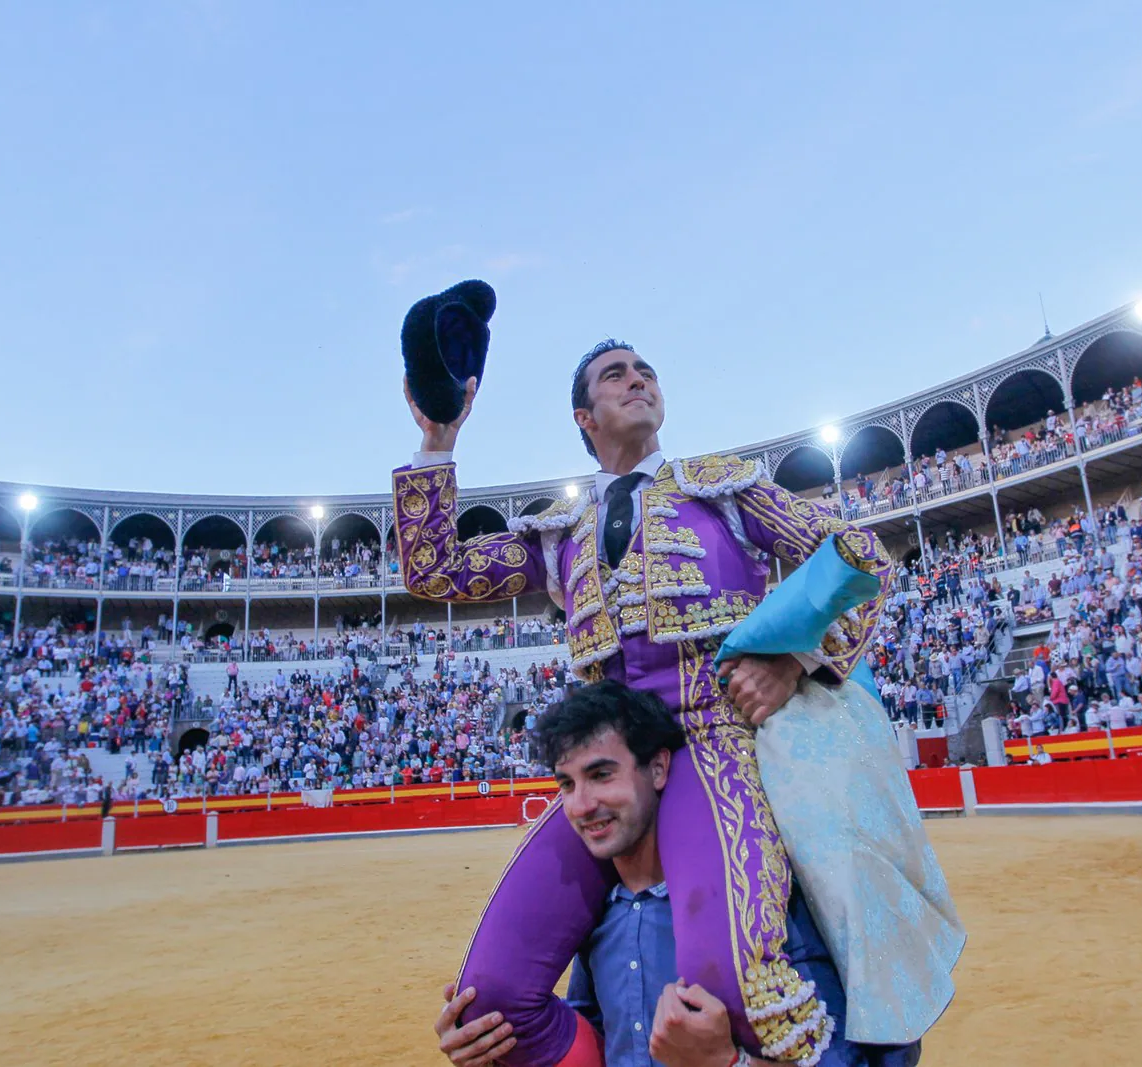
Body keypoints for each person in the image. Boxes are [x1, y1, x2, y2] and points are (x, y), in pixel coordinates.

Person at [395, 339, 956, 1066]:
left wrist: (794, 657)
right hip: (608, 765)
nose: (638, 380)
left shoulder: (722, 490)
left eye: (646, 371)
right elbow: (438, 571)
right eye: (615, 375)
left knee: (735, 984)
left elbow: (858, 555)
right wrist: (438, 442)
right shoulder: (560, 532)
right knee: (490, 998)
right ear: (583, 417)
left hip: (714, 741)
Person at [432, 682, 917, 1067]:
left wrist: (728, 1064)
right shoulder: (601, 916)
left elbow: (845, 1057)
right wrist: (498, 1048)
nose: (582, 805)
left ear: (659, 769)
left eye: (602, 775)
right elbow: (594, 1037)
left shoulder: (758, 898)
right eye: (567, 783)